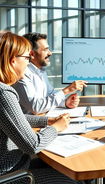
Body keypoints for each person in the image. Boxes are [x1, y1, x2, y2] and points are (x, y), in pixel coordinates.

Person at [0, 31, 82, 183]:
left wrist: (47, 121)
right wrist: (56, 127)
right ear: (12, 61)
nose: (28, 62)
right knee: (72, 180)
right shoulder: (4, 93)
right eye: (26, 58)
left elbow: (14, 117)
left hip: (17, 165)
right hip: (12, 175)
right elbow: (33, 145)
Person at [12, 32, 87, 114]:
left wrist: (65, 102)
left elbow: (49, 94)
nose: (50, 53)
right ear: (32, 54)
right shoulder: (22, 74)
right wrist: (67, 90)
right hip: (31, 124)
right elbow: (36, 107)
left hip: (41, 118)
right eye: (45, 50)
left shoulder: (40, 70)